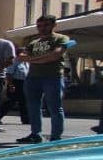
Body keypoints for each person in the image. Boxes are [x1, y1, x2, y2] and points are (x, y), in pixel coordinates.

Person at [17, 15, 70, 143]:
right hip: (33, 78)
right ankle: (36, 134)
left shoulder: (61, 38)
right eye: (39, 26)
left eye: (46, 25)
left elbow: (55, 55)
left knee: (55, 108)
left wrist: (33, 59)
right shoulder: (33, 42)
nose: (42, 28)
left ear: (53, 25)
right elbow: (21, 56)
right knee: (33, 107)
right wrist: (43, 58)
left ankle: (56, 137)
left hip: (53, 77)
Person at [0, 48, 29, 125]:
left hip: (24, 83)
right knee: (11, 101)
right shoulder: (15, 62)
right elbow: (9, 74)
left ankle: (26, 119)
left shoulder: (26, 63)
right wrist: (11, 85)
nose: (26, 55)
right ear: (19, 54)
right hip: (15, 82)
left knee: (24, 102)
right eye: (24, 53)